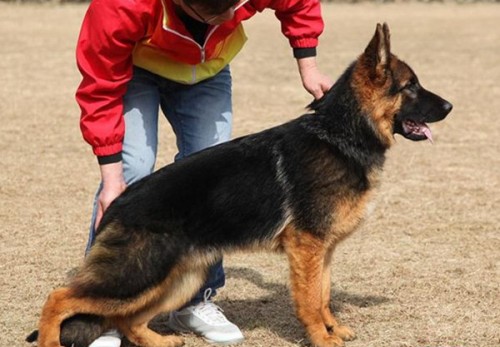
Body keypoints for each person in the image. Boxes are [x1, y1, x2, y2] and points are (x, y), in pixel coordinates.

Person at [75, 0, 332, 345]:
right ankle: (99, 312)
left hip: (206, 72)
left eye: (235, 5)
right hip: (134, 69)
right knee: (132, 169)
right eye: (215, 13)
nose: (231, 18)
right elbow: (100, 87)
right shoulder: (122, 6)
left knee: (215, 177)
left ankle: (195, 299)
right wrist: (112, 180)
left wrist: (308, 65)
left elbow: (299, 3)